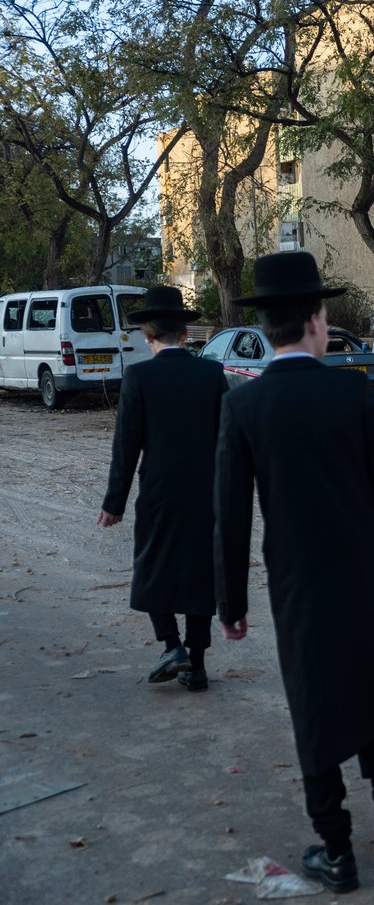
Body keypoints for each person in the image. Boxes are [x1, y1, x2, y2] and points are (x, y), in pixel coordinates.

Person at [213, 252, 374, 895]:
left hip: (297, 580)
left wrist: (230, 602)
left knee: (313, 699)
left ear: (267, 327)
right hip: (362, 569)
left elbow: (229, 514)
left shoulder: (243, 407)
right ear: (315, 321)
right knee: (359, 673)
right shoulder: (352, 391)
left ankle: (337, 848)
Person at [99, 285, 228, 692]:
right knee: (200, 572)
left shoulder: (138, 375)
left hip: (158, 491)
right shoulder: (211, 373)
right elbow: (227, 438)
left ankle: (172, 645)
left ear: (147, 335)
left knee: (152, 565)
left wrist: (113, 502)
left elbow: (127, 445)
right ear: (186, 335)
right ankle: (198, 665)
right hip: (207, 492)